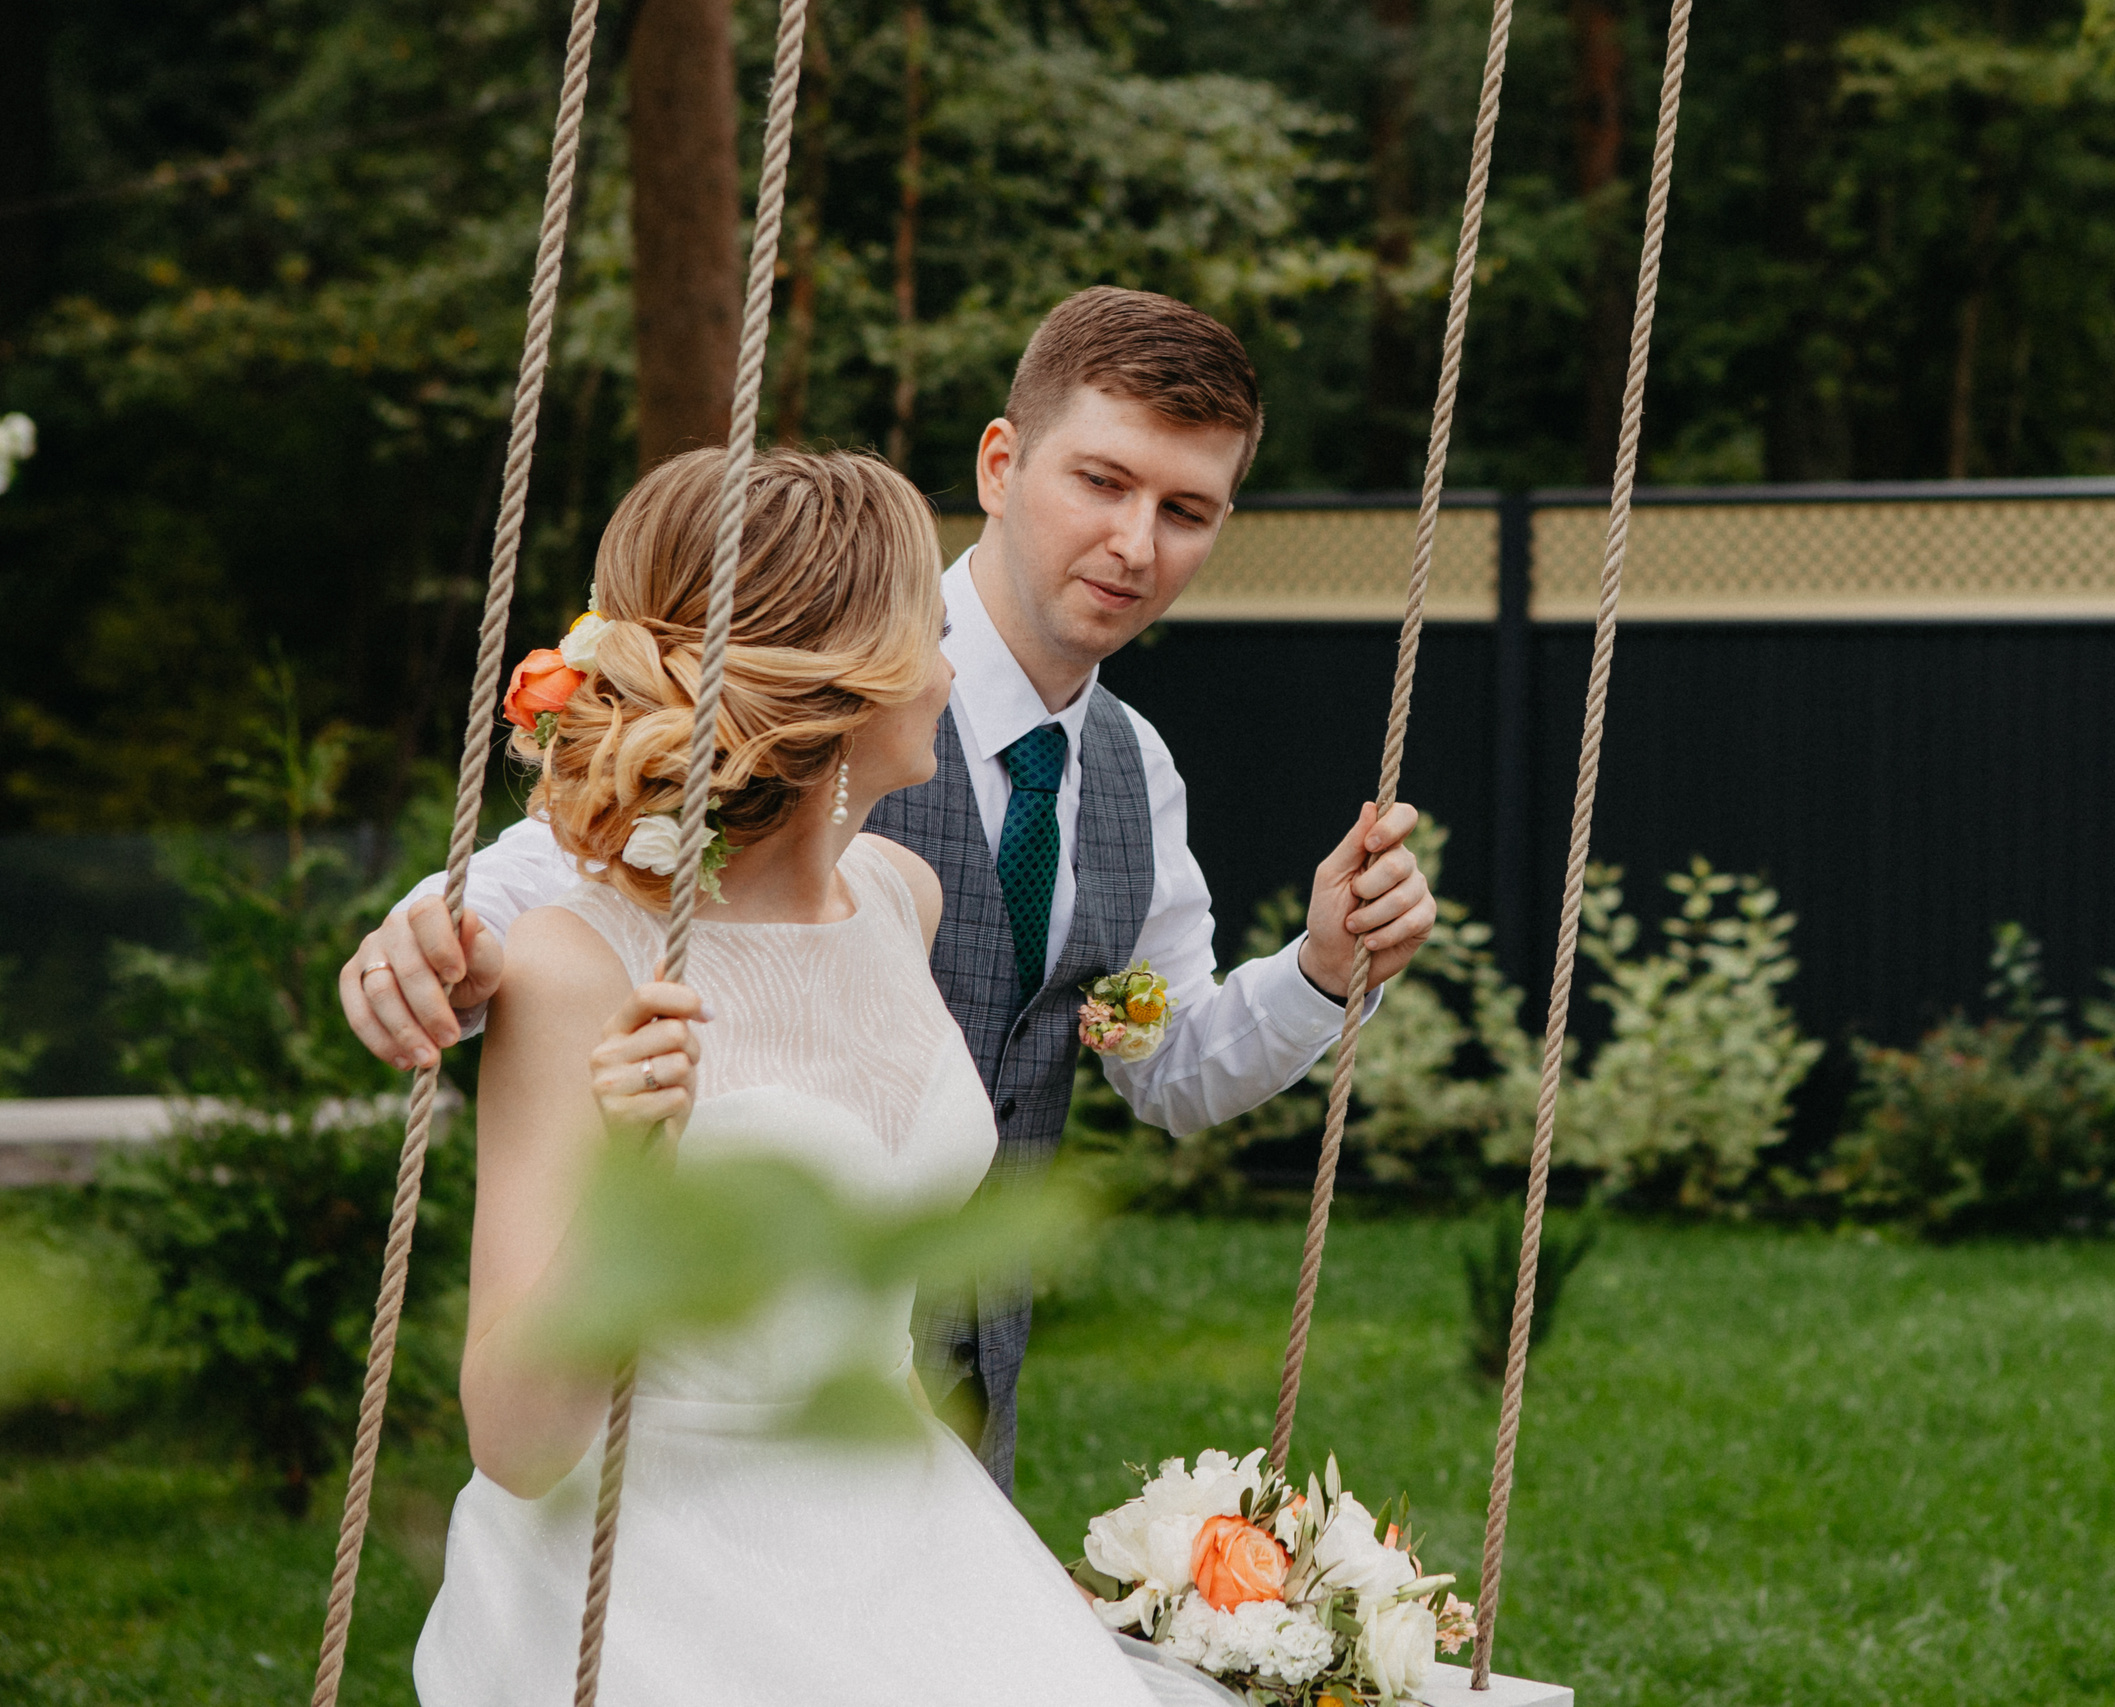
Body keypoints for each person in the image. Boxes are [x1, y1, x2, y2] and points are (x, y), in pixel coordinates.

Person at [343, 287, 1441, 1495]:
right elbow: (577, 871)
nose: (1137, 543)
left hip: (960, 1401)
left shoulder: (1134, 773)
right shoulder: (811, 666)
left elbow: (1161, 1059)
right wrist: (424, 939)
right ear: (1001, 461)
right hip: (720, 1407)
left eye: (1186, 511)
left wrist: (1323, 971)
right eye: (1103, 483)